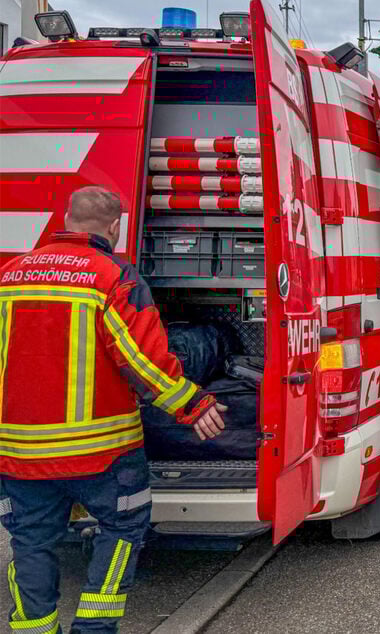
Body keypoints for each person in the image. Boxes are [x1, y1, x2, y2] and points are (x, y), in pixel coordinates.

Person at [0, 186, 228, 634]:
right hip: (102, 453)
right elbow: (140, 360)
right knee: (123, 528)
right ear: (116, 227)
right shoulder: (113, 277)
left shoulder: (9, 276)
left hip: (20, 452)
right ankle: (94, 629)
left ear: (65, 219)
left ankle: (35, 629)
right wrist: (192, 403)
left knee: (30, 542)